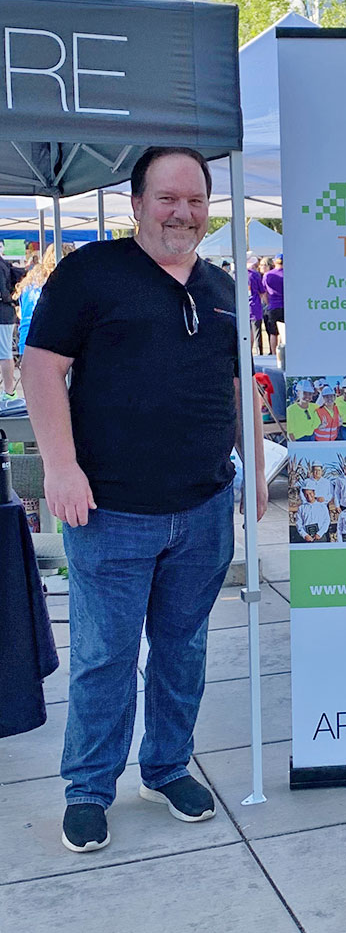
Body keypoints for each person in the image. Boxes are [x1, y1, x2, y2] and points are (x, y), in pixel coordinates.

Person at [21, 146, 269, 854]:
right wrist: (60, 467)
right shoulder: (90, 273)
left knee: (183, 650)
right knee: (104, 655)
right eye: (167, 198)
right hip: (109, 513)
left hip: (202, 511)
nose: (181, 213)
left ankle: (164, 768)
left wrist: (254, 472)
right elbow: (41, 370)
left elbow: (236, 388)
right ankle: (89, 787)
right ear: (136, 204)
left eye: (194, 201)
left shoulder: (225, 286)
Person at [14, 245, 75, 357]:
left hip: (26, 342)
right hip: (52, 344)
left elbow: (23, 314)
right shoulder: (62, 283)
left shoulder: (30, 282)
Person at [0, 244, 24, 400]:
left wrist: (10, 300)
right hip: (6, 313)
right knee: (5, 351)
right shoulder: (4, 264)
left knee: (4, 352)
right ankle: (9, 391)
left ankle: (9, 392)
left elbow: (3, 291)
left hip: (3, 313)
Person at [246, 252, 267, 356]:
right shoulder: (254, 275)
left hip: (242, 307)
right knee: (257, 331)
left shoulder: (236, 274)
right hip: (255, 306)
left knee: (245, 331)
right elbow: (262, 291)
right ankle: (259, 352)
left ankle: (247, 352)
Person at [263, 253, 284, 356]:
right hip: (285, 306)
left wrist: (268, 303)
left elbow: (264, 292)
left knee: (273, 333)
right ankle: (283, 353)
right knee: (284, 332)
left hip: (273, 305)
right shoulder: (288, 274)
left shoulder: (268, 275)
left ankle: (274, 353)